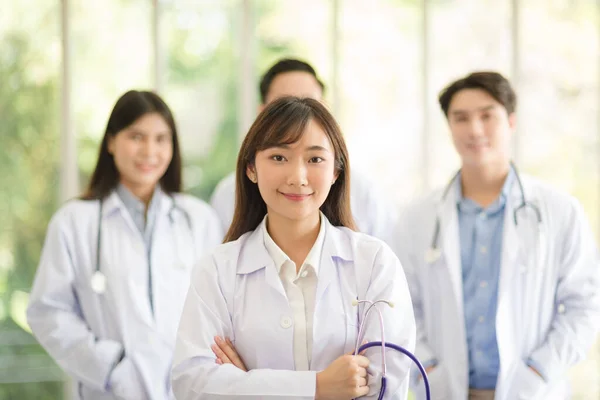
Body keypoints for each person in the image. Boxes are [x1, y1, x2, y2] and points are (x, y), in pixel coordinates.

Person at [172, 97, 415, 399]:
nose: (297, 177)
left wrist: (246, 384)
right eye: (278, 157)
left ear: (336, 171)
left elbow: (386, 385)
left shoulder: (375, 262)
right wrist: (319, 387)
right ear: (251, 168)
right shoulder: (218, 270)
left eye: (314, 159)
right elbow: (192, 383)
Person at [391, 72, 600, 400]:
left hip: (533, 390)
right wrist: (428, 367)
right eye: (461, 118)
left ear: (511, 121)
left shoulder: (560, 211)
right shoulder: (418, 218)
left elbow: (585, 305)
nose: (474, 129)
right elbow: (400, 306)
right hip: (446, 389)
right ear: (449, 127)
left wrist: (540, 370)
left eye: (487, 115)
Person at [27, 90, 223, 399]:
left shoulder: (198, 220)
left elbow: (220, 308)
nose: (150, 150)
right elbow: (48, 312)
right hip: (111, 390)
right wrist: (110, 366)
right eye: (137, 137)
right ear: (111, 142)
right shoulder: (74, 222)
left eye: (161, 139)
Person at [210, 58, 395, 241]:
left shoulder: (365, 194)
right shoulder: (228, 196)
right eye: (283, 105)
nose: (298, 115)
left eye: (311, 104)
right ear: (262, 113)